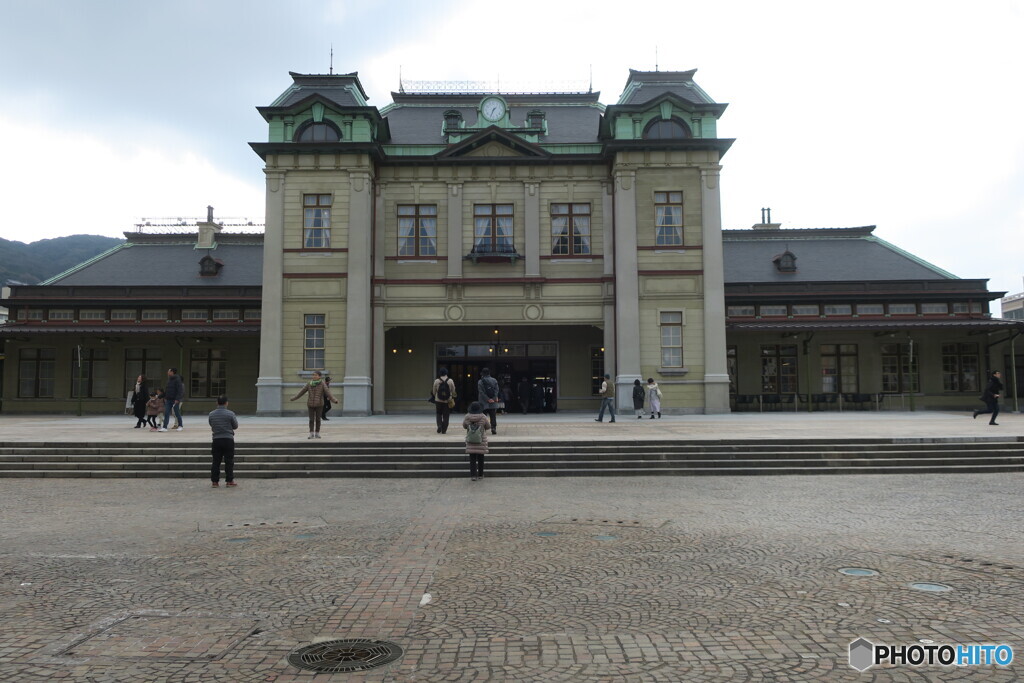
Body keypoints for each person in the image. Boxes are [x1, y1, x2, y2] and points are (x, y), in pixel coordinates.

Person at [291, 370, 338, 439]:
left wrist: (334, 400)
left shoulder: (322, 384)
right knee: (311, 420)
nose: (314, 376)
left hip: (319, 404)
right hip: (310, 404)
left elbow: (328, 393)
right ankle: (311, 433)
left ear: (319, 376)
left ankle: (317, 433)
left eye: (315, 375)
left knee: (318, 419)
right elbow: (301, 392)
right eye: (313, 375)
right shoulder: (309, 383)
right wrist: (294, 398)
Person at [209, 394, 239, 488]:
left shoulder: (211, 414)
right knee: (229, 461)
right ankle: (229, 480)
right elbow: (235, 426)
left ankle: (215, 481)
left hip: (216, 439)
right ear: (226, 403)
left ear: (217, 403)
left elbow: (211, 424)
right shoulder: (230, 414)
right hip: (228, 439)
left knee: (216, 461)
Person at [463, 401, 491, 481]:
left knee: (472, 459)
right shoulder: (483, 416)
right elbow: (488, 426)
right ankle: (480, 475)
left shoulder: (467, 416)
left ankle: (473, 476)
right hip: (481, 440)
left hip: (471, 440)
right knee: (481, 458)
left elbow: (464, 426)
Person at [432, 367, 457, 434]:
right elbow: (453, 390)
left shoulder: (436, 381)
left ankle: (439, 425)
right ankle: (444, 430)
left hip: (438, 400)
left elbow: (434, 391)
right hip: (447, 400)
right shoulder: (450, 381)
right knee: (446, 415)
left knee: (438, 413)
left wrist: (436, 395)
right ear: (446, 373)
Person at [159, 368, 184, 432]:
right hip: (168, 399)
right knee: (166, 413)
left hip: (175, 400)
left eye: (169, 371)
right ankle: (164, 427)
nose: (167, 372)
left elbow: (180, 390)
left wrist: (177, 399)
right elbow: (167, 390)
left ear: (172, 372)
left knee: (177, 413)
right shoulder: (169, 380)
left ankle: (180, 426)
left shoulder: (177, 379)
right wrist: (161, 396)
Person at [477, 367, 500, 435]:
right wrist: (493, 398)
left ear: (482, 374)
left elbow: (481, 392)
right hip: (493, 401)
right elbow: (497, 390)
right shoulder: (494, 380)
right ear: (489, 373)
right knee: (493, 415)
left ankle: (483, 429)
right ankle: (493, 428)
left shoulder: (480, 381)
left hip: (483, 402)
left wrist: (487, 399)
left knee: (483, 416)